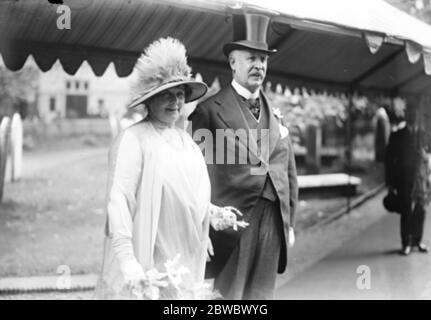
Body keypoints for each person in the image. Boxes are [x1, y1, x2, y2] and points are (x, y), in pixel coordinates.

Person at [94, 37, 246, 300]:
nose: (175, 102)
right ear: (149, 100)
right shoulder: (134, 139)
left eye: (179, 95)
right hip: (150, 253)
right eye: (166, 95)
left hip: (184, 254)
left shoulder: (185, 141)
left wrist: (213, 214)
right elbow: (118, 199)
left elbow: (187, 194)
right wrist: (127, 259)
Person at [188, 13, 298, 300]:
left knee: (262, 297)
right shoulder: (209, 111)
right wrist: (205, 223)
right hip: (233, 223)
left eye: (263, 59)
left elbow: (288, 173)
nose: (258, 65)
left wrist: (290, 222)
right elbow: (194, 176)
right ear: (232, 62)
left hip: (273, 218)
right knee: (231, 298)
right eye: (250, 58)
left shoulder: (276, 115)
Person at [385, 102, 429, 256]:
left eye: (415, 115)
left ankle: (417, 240)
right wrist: (390, 183)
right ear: (407, 116)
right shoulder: (398, 135)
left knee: (420, 209)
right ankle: (406, 242)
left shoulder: (423, 135)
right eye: (410, 114)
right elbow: (389, 160)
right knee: (406, 210)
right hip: (404, 178)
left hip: (420, 178)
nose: (412, 117)